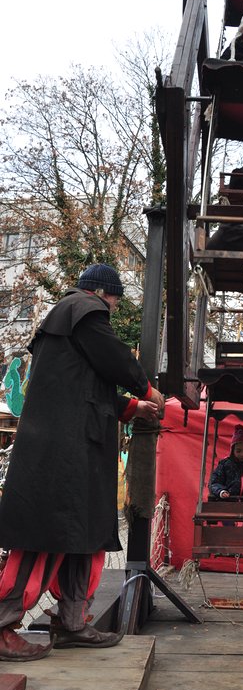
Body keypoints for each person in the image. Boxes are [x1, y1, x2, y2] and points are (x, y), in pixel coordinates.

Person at [0, 263, 164, 661]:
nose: (112, 308)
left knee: (83, 536)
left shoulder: (63, 330)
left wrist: (129, 407)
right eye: (114, 300)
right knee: (41, 537)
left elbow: (81, 388)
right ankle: (3, 626)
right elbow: (115, 360)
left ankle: (72, 622)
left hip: (75, 450)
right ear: (104, 294)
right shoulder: (84, 311)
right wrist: (147, 389)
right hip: (63, 455)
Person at [209, 424, 243, 499]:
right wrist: (221, 491)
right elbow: (214, 483)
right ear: (232, 450)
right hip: (228, 502)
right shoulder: (225, 464)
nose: (242, 454)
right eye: (238, 451)